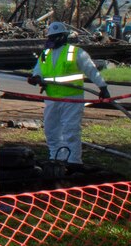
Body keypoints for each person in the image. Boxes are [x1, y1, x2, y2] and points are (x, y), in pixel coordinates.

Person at [27, 21, 110, 166]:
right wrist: (36, 78)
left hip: (72, 98)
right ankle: (57, 159)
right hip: (52, 98)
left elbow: (91, 70)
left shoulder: (76, 53)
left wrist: (102, 87)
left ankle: (73, 162)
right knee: (51, 131)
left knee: (70, 131)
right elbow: (38, 70)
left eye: (55, 37)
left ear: (63, 37)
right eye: (51, 37)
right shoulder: (46, 54)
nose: (52, 40)